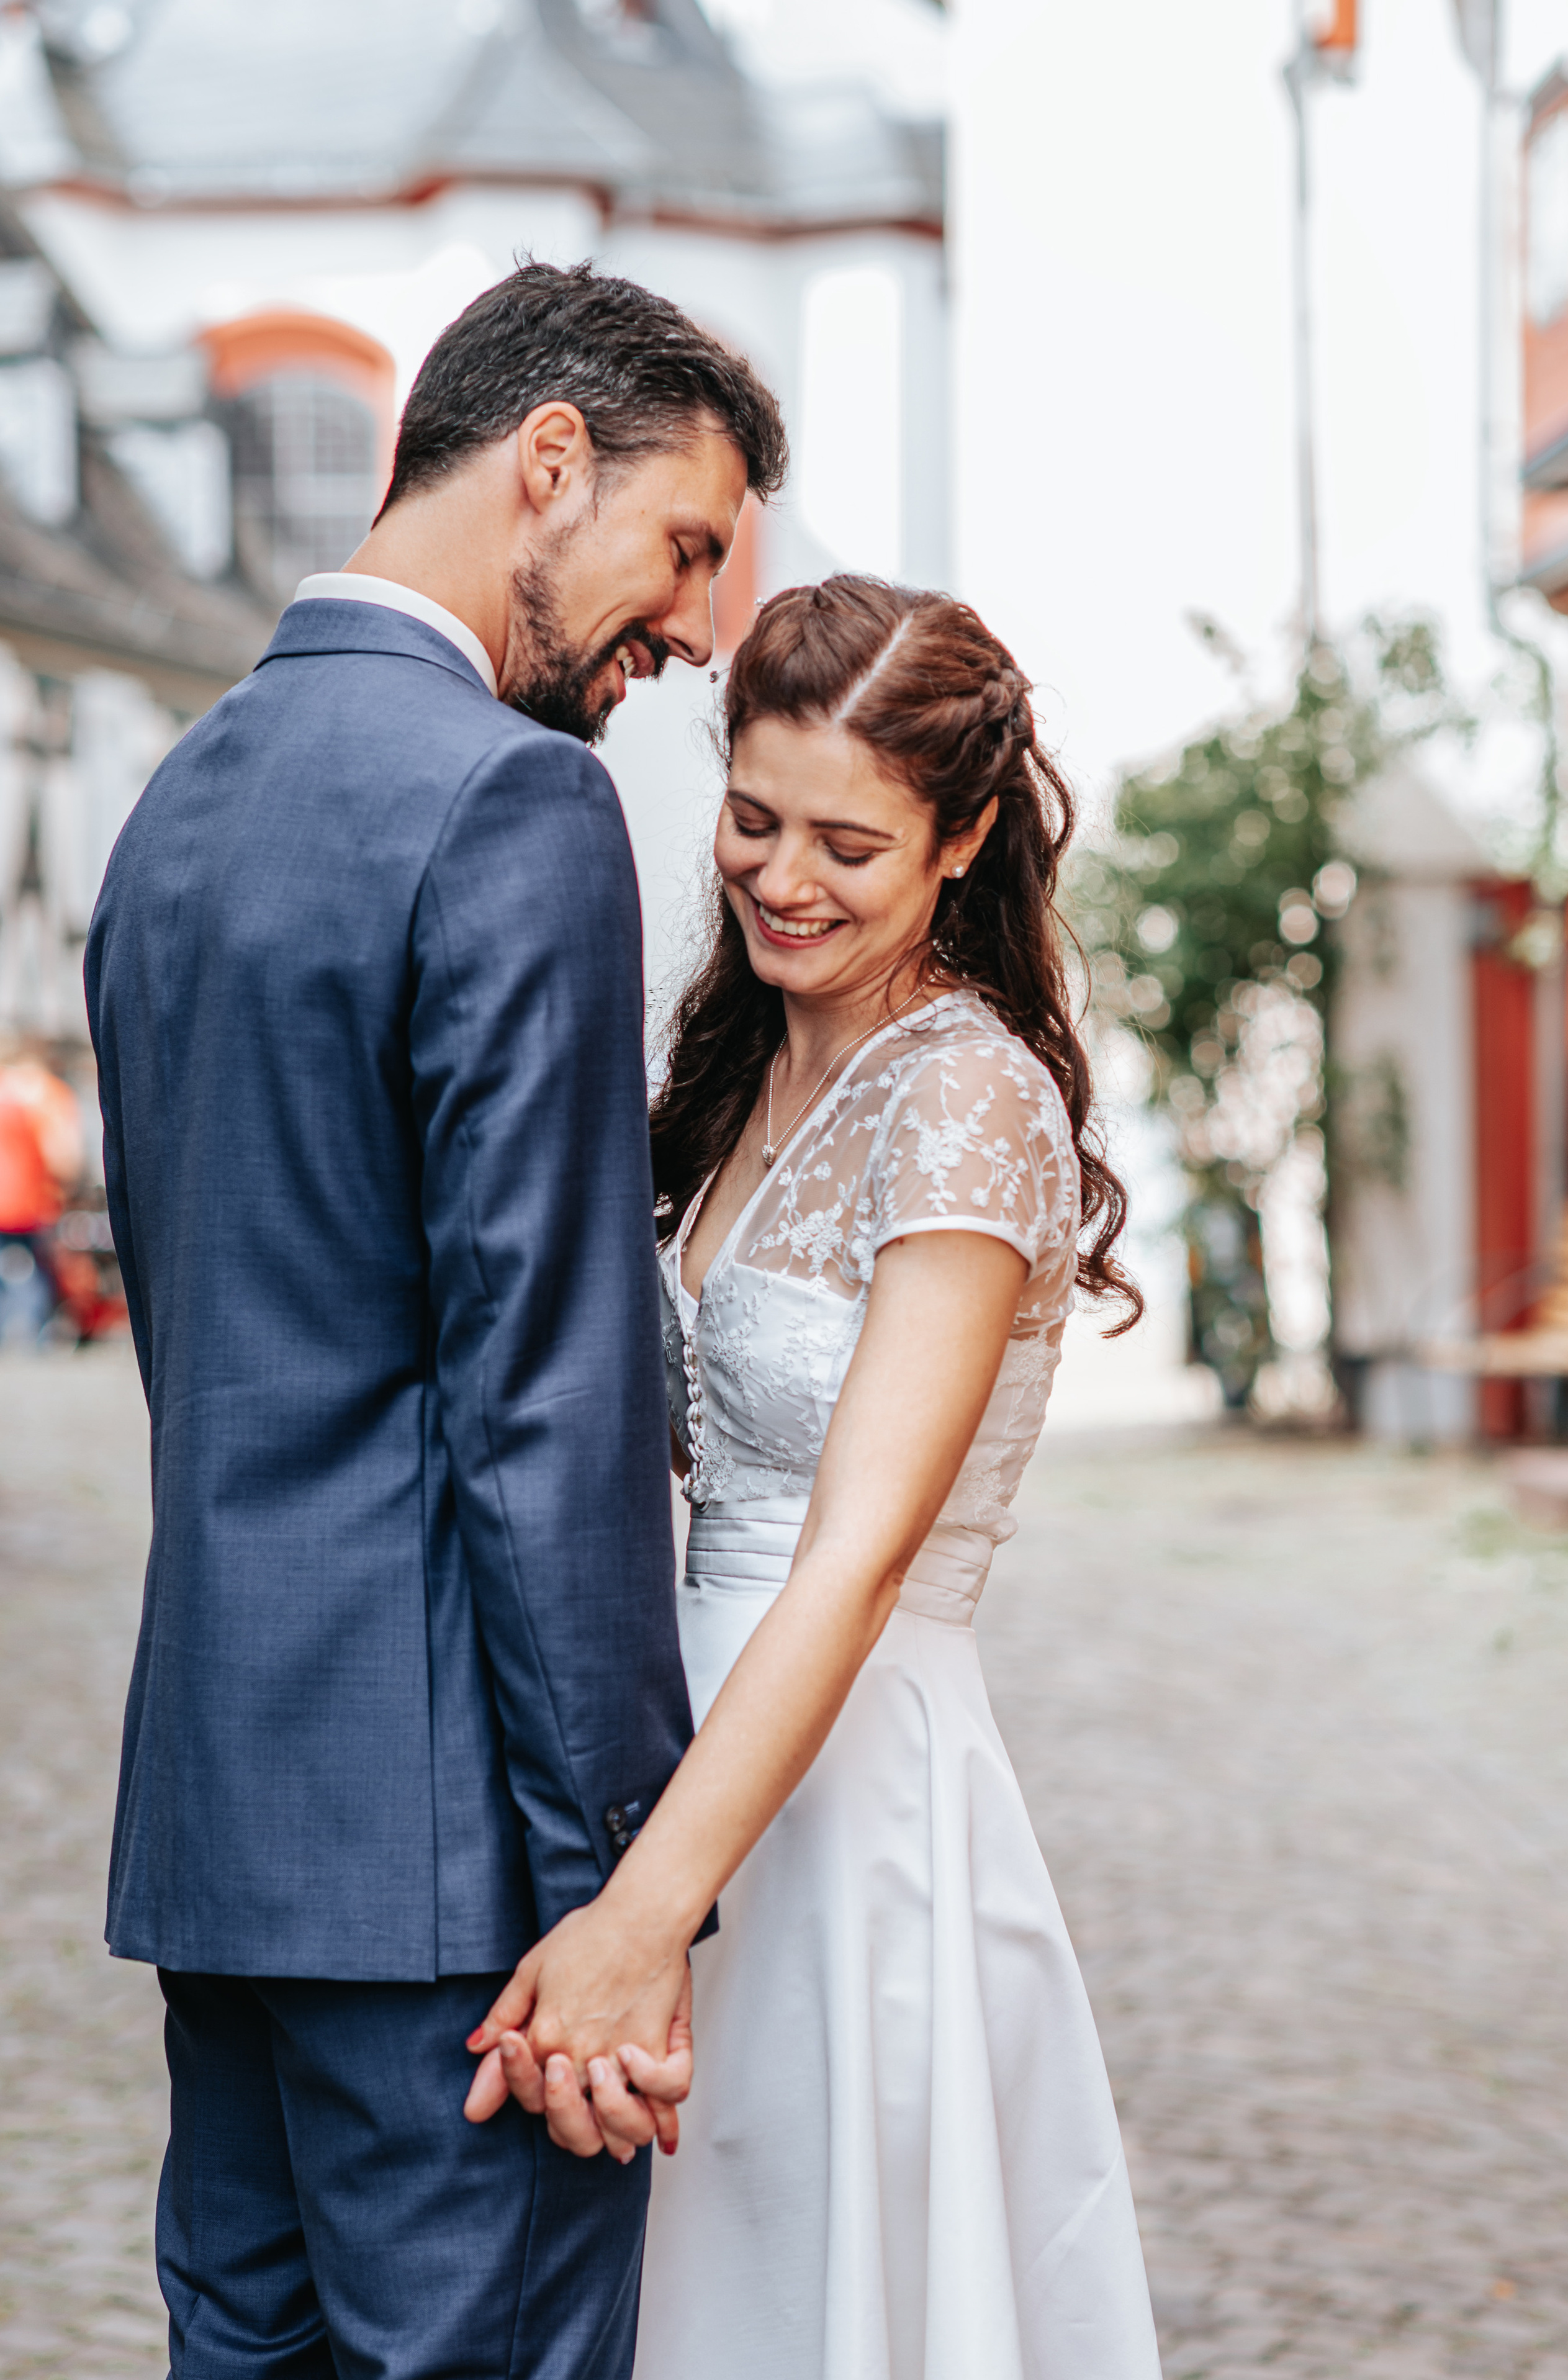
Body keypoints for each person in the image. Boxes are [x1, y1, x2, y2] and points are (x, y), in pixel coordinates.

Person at [85, 260, 786, 2380]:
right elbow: (546, 1400)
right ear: (544, 461)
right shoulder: (507, 803)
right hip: (458, 1882)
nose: (686, 640)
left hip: (225, 1836)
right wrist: (620, 1897)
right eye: (681, 549)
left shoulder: (175, 807)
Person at [467, 576, 1164, 2376]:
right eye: (753, 819)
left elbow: (853, 1557)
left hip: (854, 1782)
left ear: (967, 839)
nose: (784, 877)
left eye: (849, 842)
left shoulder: (965, 1097)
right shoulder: (743, 1066)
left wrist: (640, 1918)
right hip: (688, 1740)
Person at [0, 1052, 82, 1343]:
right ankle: (27, 1338)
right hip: (27, 1205)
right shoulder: (47, 1094)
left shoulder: (5, 1088)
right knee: (29, 1279)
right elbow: (62, 1156)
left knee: (12, 1275)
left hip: (12, 1205)